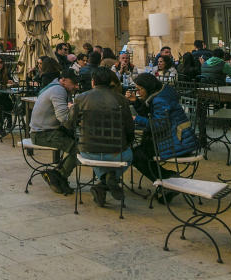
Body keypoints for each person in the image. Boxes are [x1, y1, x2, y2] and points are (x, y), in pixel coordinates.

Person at [67, 67, 134, 208]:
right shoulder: (121, 100)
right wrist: (128, 143)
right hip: (118, 154)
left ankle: (103, 181)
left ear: (92, 82)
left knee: (95, 155)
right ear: (110, 81)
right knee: (130, 155)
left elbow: (69, 124)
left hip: (89, 152)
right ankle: (107, 180)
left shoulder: (81, 98)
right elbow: (130, 129)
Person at [128, 73, 198, 192]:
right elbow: (153, 116)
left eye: (140, 89)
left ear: (148, 88)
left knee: (135, 155)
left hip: (177, 142)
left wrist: (136, 119)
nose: (138, 92)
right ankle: (166, 179)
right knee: (140, 151)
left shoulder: (160, 100)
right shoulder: (163, 91)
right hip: (178, 137)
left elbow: (158, 125)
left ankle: (167, 181)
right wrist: (136, 102)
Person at [29, 67, 79, 195]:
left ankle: (57, 175)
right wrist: (74, 108)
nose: (76, 86)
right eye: (74, 83)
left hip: (46, 131)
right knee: (79, 149)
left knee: (78, 142)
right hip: (42, 134)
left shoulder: (56, 87)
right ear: (64, 80)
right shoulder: (58, 90)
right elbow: (64, 119)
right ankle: (58, 175)